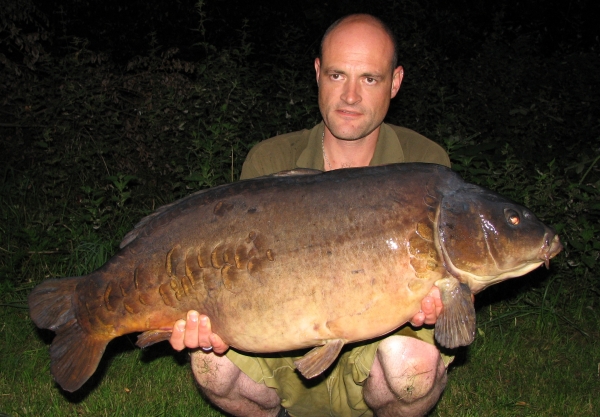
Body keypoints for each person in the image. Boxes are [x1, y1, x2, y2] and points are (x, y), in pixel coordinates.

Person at [170, 14, 454, 417]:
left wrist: (437, 300)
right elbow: (236, 273)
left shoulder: (424, 166)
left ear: (395, 81)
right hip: (288, 341)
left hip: (378, 349)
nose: (351, 96)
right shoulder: (269, 161)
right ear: (318, 73)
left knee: (412, 366)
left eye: (369, 79)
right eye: (338, 75)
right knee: (211, 366)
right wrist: (210, 315)